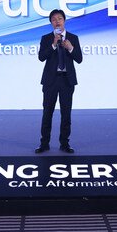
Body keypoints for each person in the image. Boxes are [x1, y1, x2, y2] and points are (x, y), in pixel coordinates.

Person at [35, 9, 83, 154]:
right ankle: (44, 144)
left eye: (60, 18)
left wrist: (70, 48)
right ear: (51, 22)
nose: (57, 21)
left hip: (67, 81)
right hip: (50, 81)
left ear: (64, 21)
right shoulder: (46, 38)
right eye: (54, 19)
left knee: (66, 113)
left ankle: (65, 143)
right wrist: (53, 45)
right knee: (47, 112)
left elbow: (79, 59)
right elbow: (41, 57)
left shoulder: (73, 38)